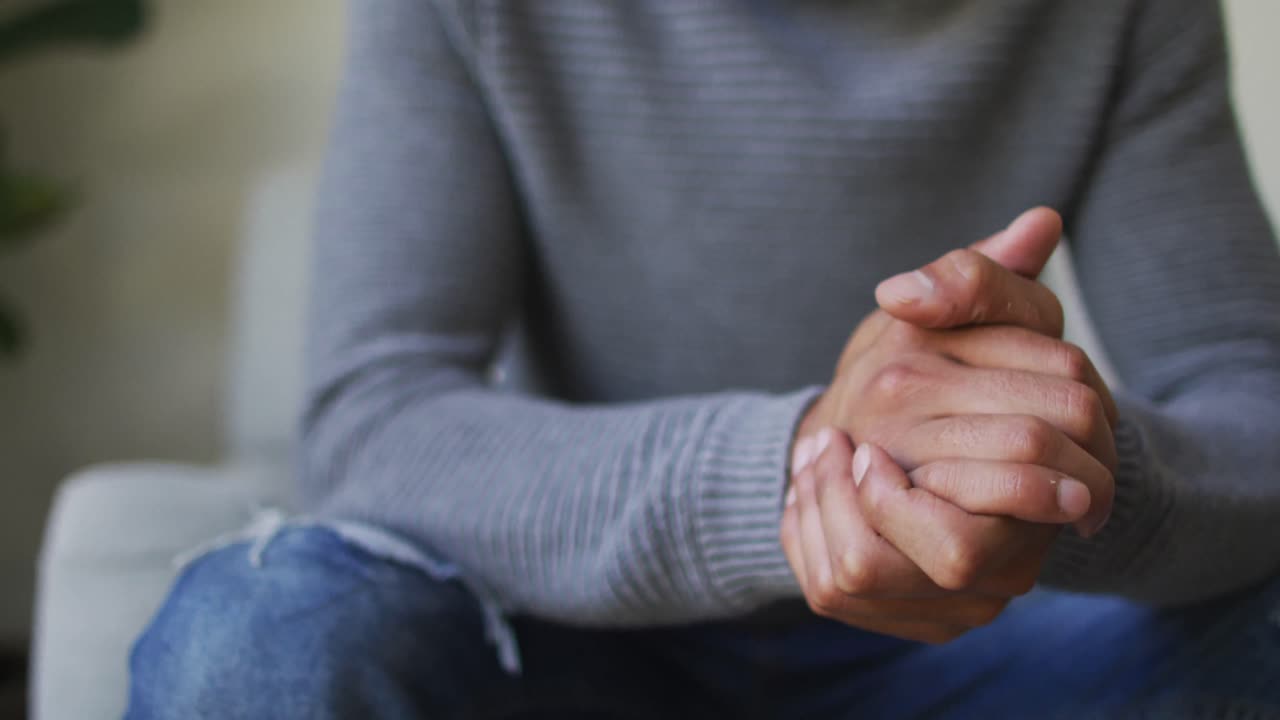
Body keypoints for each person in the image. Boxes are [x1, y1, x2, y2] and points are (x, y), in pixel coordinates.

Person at [125, 0, 1280, 717]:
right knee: (259, 632)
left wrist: (1050, 472)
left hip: (980, 655)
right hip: (574, 645)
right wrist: (794, 471)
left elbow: (1252, 400)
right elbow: (370, 420)